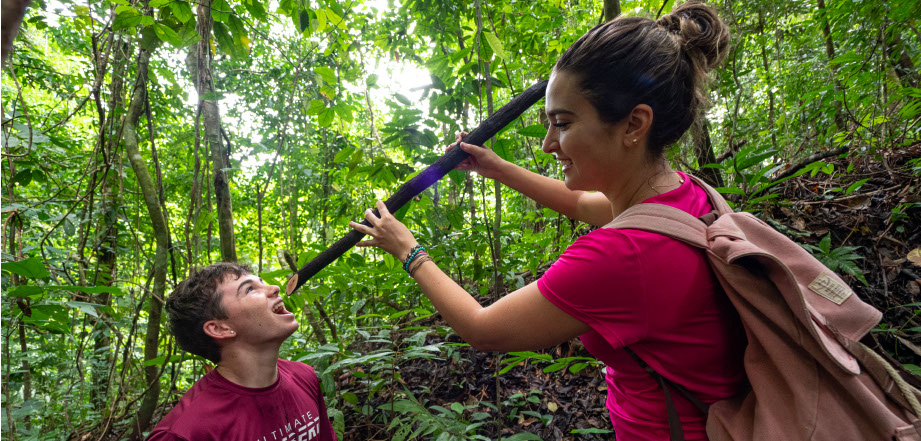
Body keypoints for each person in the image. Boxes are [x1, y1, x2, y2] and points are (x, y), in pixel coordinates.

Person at [348, 2, 746, 440]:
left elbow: (483, 329)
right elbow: (581, 205)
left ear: (634, 124)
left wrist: (406, 248)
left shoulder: (622, 255)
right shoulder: (684, 197)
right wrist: (494, 167)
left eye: (563, 123)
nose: (547, 144)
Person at [147, 262, 337, 441]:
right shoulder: (185, 432)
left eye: (262, 282)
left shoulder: (303, 376)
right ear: (220, 329)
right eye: (249, 289)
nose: (275, 288)